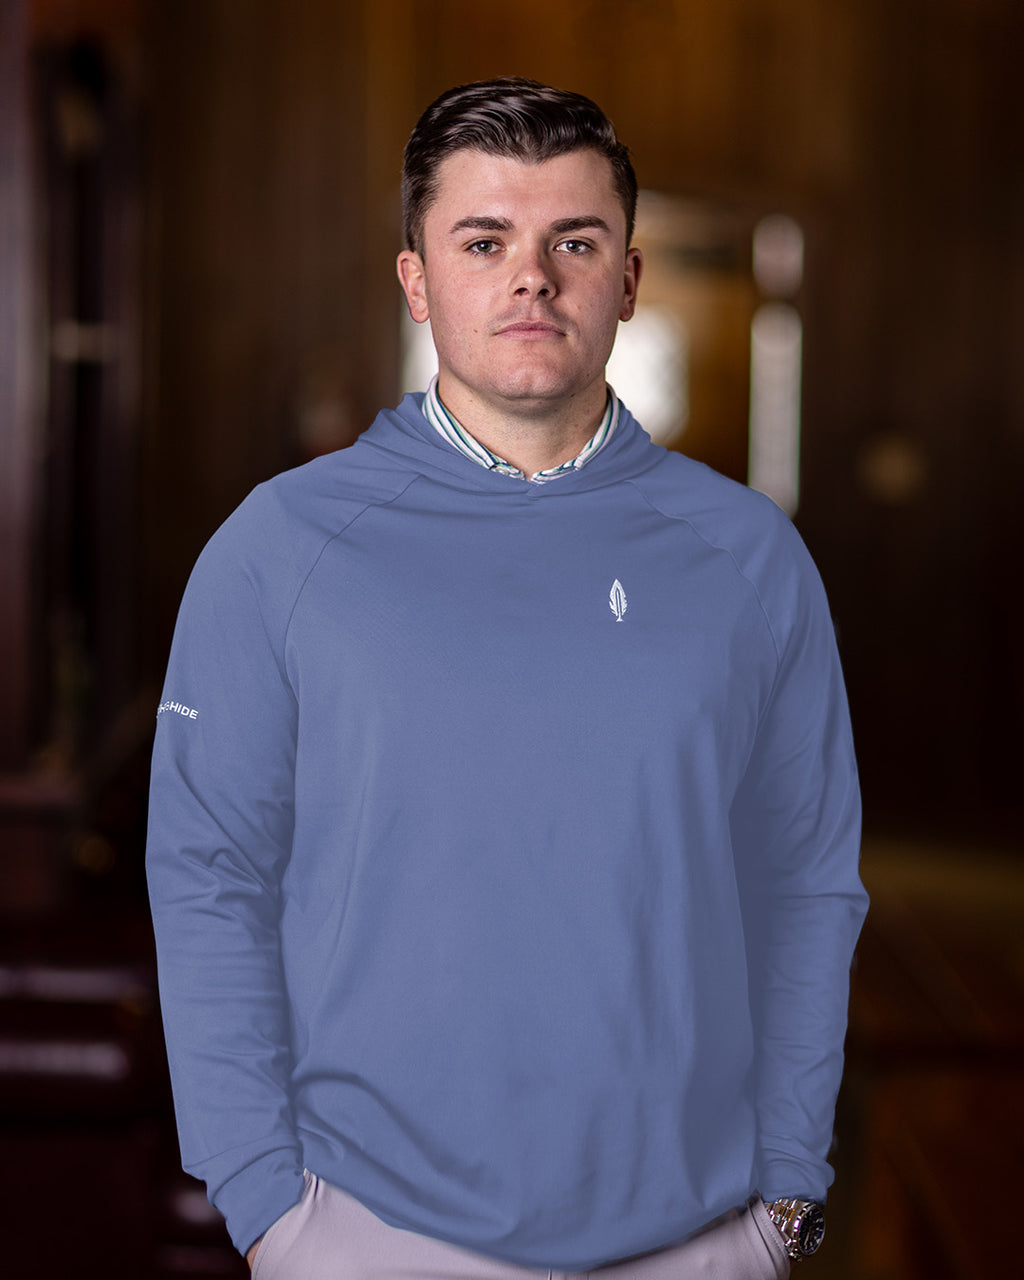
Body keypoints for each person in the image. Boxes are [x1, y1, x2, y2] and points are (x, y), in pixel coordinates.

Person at [147, 77, 868, 1280]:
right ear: (417, 279)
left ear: (627, 279)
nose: (531, 277)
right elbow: (208, 873)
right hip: (366, 1230)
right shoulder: (277, 548)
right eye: (483, 242)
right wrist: (264, 1198)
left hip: (695, 1236)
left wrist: (785, 1194)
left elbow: (804, 882)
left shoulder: (749, 557)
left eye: (571, 242)